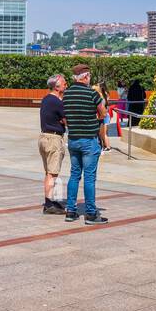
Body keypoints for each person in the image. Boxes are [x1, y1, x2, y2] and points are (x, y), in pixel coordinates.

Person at [62, 64, 107, 224]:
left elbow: (64, 117)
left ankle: (71, 211)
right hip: (89, 140)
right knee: (89, 177)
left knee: (74, 175)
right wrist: (93, 121)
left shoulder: (66, 94)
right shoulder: (92, 93)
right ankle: (91, 214)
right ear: (86, 77)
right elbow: (103, 113)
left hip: (73, 139)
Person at [38, 74, 67, 214]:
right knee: (52, 173)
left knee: (48, 172)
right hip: (54, 139)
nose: (66, 86)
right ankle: (49, 204)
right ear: (57, 87)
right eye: (64, 84)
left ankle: (49, 200)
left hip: (44, 137)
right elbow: (66, 120)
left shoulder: (46, 99)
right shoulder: (57, 101)